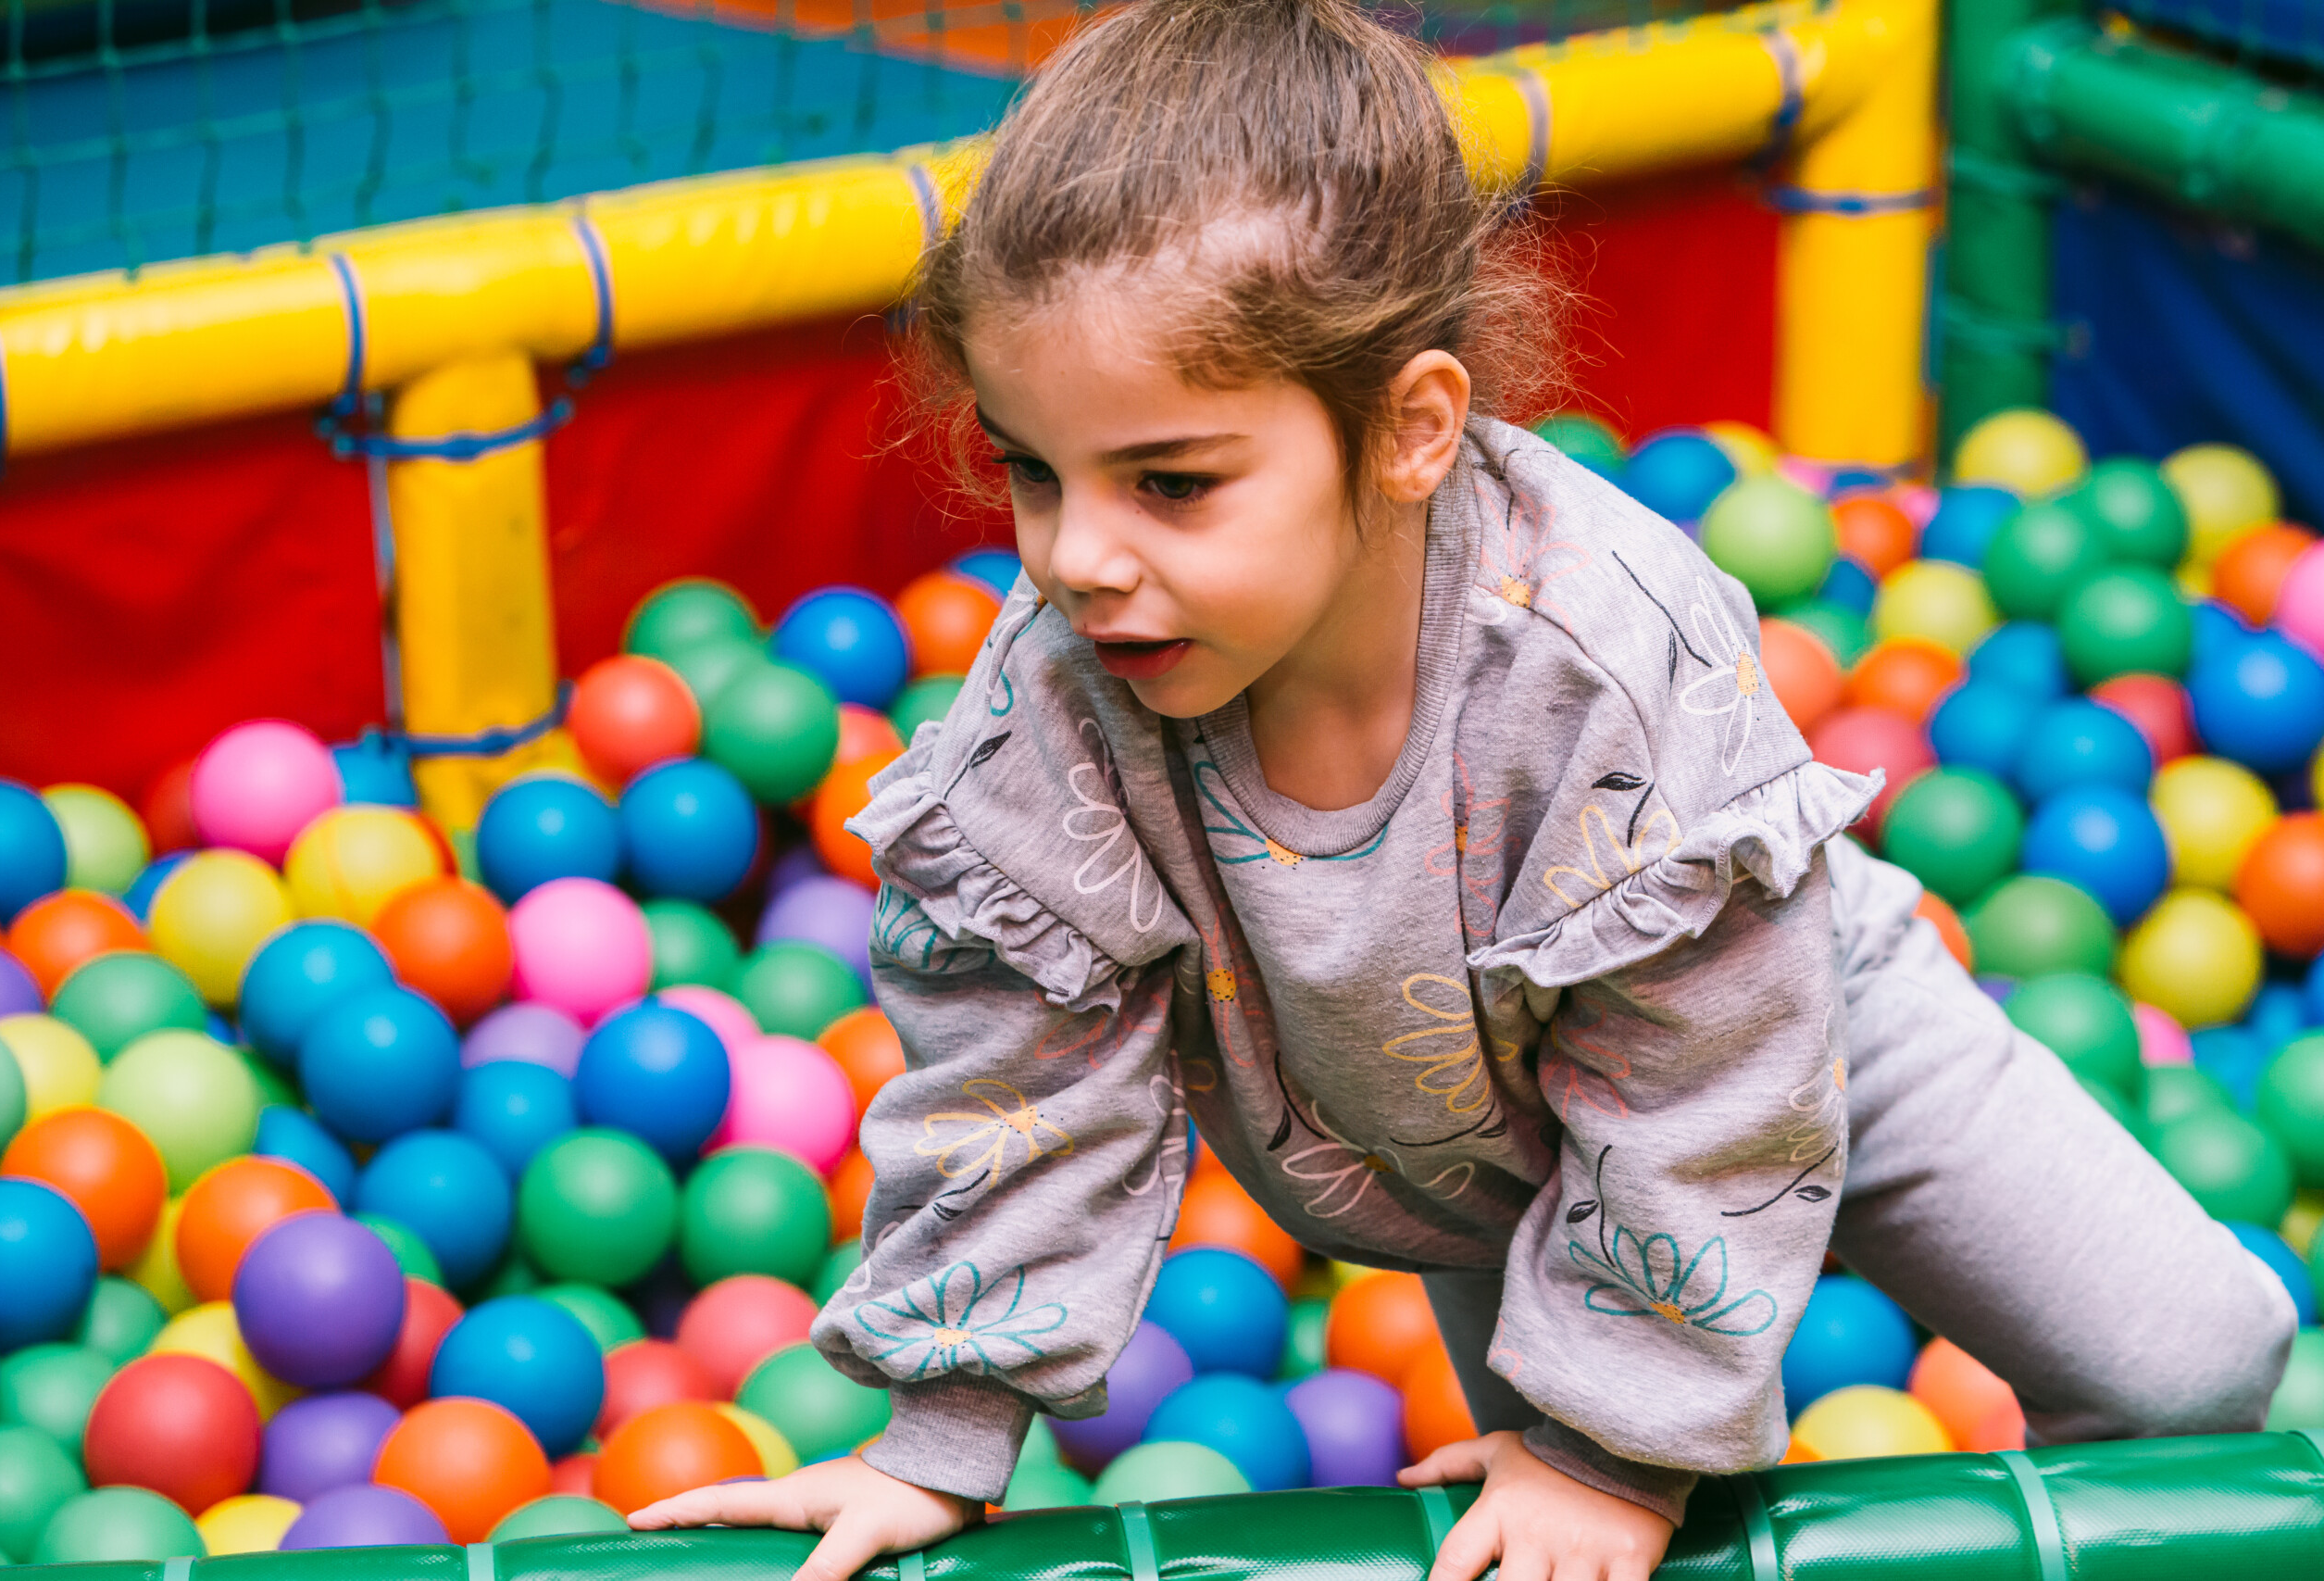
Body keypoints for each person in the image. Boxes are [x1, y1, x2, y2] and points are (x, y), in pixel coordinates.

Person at [630, 1, 2295, 1576]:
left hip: (1774, 1009)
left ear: (1411, 429)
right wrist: (941, 1430)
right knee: (1601, 1540)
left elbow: (1704, 1071)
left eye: (1172, 483)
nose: (1077, 558)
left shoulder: (1593, 659)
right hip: (1459, 1153)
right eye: (1030, 470)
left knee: (2200, 1366)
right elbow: (1022, 1065)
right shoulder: (1056, 709)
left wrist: (1610, 1437)